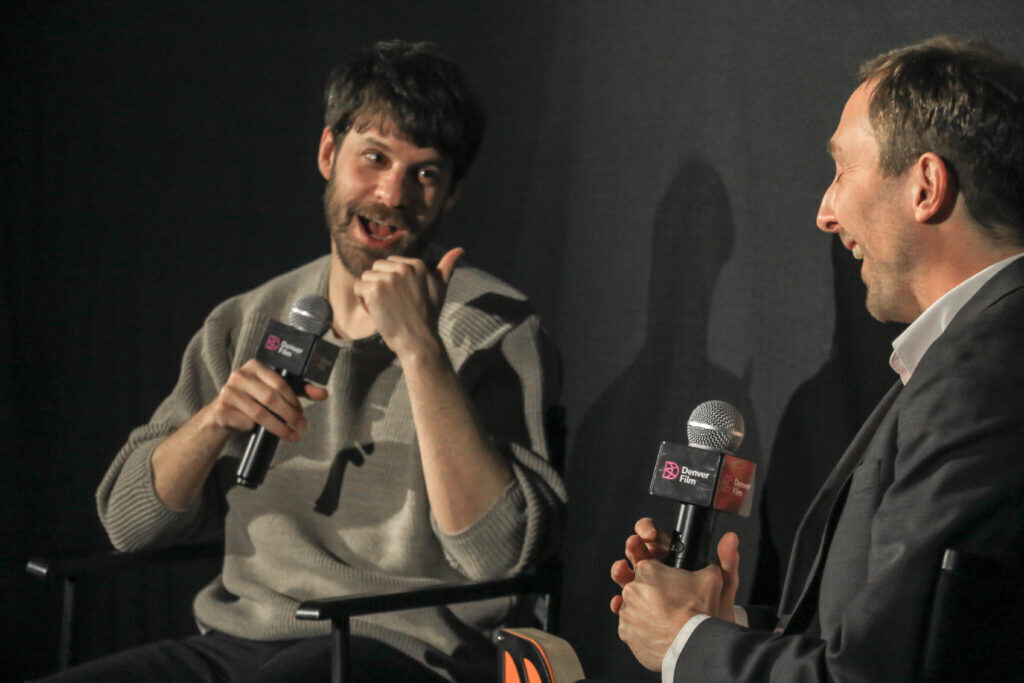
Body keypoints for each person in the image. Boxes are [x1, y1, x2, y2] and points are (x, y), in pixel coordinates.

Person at [47, 40, 564, 682]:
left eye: (424, 173)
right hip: (241, 642)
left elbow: (499, 554)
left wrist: (420, 351)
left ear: (451, 194)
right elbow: (128, 524)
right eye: (373, 158)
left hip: (406, 653)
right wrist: (214, 422)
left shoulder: (492, 327)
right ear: (328, 154)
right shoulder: (248, 318)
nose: (390, 194)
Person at [611, 36, 1024, 681]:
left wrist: (685, 643)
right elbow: (917, 641)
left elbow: (877, 675)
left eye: (841, 171)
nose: (825, 213)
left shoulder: (986, 372)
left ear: (925, 187)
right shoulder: (969, 355)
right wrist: (729, 630)